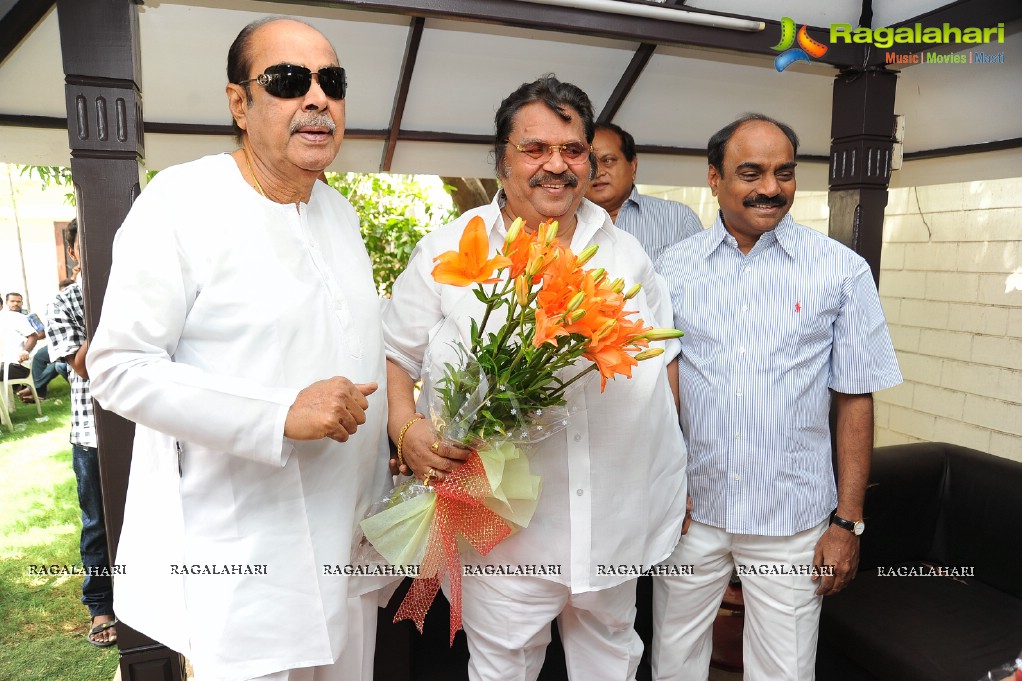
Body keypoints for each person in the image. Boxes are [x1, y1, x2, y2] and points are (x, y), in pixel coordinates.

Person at [87, 16, 391, 681]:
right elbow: (118, 367)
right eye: (287, 80)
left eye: (331, 82)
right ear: (239, 103)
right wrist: (278, 411)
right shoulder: (182, 202)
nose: (317, 99)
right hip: (247, 567)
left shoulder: (338, 214)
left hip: (348, 548)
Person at [383, 75, 687, 680]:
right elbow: (398, 356)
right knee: (502, 669)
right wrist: (406, 428)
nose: (557, 165)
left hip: (615, 526)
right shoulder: (448, 249)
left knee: (614, 664)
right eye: (535, 149)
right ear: (501, 161)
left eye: (573, 151)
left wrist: (666, 468)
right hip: (505, 534)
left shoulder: (628, 256)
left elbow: (662, 367)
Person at [651, 113, 903, 681]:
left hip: (792, 521)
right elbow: (659, 390)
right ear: (714, 179)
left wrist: (848, 523)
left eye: (783, 172)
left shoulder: (840, 270)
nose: (770, 188)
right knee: (673, 662)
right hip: (691, 513)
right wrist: (659, 487)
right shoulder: (670, 270)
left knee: (785, 672)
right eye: (751, 172)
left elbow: (855, 398)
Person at [46, 220, 117, 646]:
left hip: (148, 430)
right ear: (75, 253)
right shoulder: (66, 302)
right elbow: (84, 365)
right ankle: (100, 605)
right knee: (97, 524)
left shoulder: (146, 290)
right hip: (93, 434)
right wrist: (104, 305)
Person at [585, 122, 702, 262]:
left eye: (608, 161)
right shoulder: (565, 223)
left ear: (633, 166)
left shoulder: (679, 218)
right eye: (590, 163)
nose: (598, 172)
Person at [18, 277, 75, 403]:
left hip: (71, 344)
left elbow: (42, 332)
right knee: (39, 356)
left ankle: (34, 388)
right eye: (62, 292)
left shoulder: (77, 305)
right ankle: (39, 393)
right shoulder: (57, 305)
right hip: (57, 343)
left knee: (57, 363)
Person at [1, 292, 38, 380]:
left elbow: (34, 335)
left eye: (18, 301)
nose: (15, 304)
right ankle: (17, 388)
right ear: (6, 302)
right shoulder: (4, 318)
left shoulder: (20, 316)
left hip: (17, 364)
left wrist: (25, 351)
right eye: (12, 301)